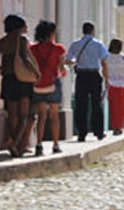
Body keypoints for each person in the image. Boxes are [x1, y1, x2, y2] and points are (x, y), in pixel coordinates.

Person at [1, 15, 40, 157]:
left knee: (12, 115)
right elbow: (25, 57)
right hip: (22, 80)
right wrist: (36, 72)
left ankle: (13, 142)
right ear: (18, 27)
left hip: (8, 80)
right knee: (24, 115)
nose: (26, 28)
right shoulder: (21, 40)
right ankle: (15, 143)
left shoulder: (3, 41)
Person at [28, 20, 66, 156]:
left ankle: (39, 145)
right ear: (51, 34)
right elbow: (61, 69)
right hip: (53, 84)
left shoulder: (32, 49)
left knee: (41, 116)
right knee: (54, 116)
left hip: (38, 85)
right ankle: (55, 145)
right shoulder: (58, 49)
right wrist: (64, 71)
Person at [66, 22, 109, 141]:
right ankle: (98, 132)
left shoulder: (76, 44)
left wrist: (77, 61)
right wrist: (106, 78)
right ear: (92, 30)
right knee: (96, 104)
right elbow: (104, 62)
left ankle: (82, 132)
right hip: (94, 75)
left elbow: (68, 60)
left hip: (81, 75)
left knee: (81, 104)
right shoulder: (98, 44)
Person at [105, 38, 124, 136]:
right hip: (122, 83)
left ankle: (114, 126)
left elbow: (104, 71)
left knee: (113, 106)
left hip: (111, 83)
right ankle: (119, 126)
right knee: (121, 106)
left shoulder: (106, 57)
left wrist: (106, 80)